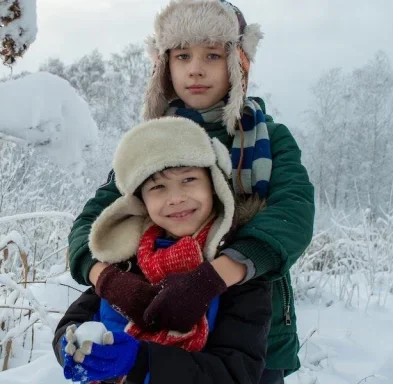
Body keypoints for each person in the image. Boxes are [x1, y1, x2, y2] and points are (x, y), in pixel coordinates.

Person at [67, 0, 315, 381]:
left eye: (212, 55)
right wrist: (110, 280)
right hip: (156, 326)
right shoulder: (149, 146)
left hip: (253, 336)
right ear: (165, 65)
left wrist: (210, 280)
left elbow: (292, 216)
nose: (196, 69)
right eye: (183, 55)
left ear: (238, 64)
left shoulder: (271, 139)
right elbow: (91, 224)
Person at [53, 117, 271, 383]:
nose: (176, 198)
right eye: (158, 187)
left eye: (189, 179)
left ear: (214, 185)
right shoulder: (126, 259)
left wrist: (142, 361)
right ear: (141, 200)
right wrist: (74, 347)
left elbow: (236, 372)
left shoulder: (236, 270)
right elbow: (73, 322)